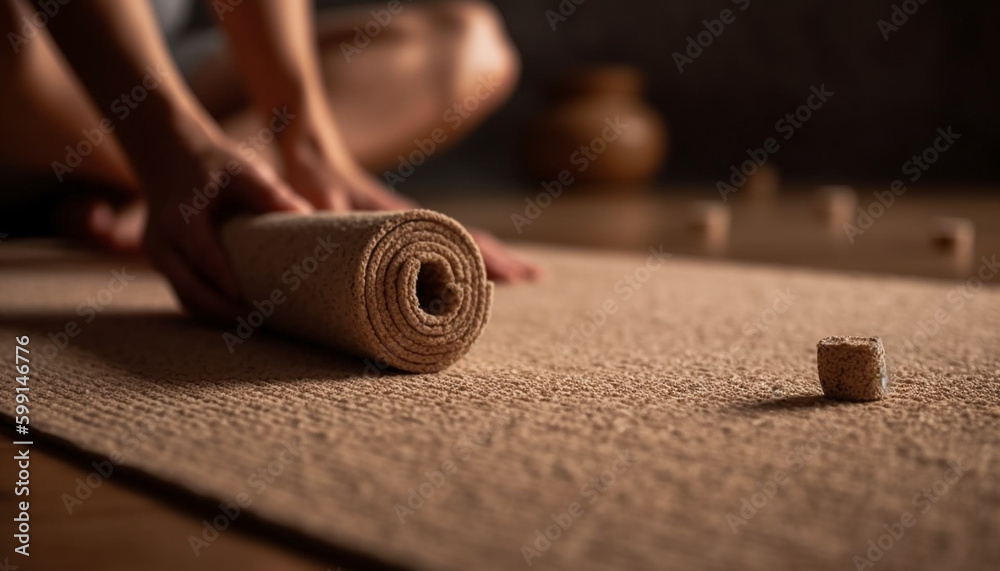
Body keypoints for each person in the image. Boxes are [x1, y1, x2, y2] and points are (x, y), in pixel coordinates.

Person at [0, 0, 538, 321]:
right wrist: (168, 145)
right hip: (47, 62)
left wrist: (311, 148)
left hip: (178, 70)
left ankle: (184, 185)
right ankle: (177, 174)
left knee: (469, 45)